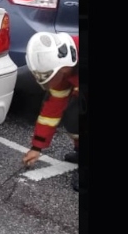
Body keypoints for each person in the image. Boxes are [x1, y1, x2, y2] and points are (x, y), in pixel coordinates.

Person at [20, 32, 82, 191]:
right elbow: (51, 112)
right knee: (73, 116)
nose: (55, 80)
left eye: (56, 75)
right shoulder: (65, 68)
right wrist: (36, 147)